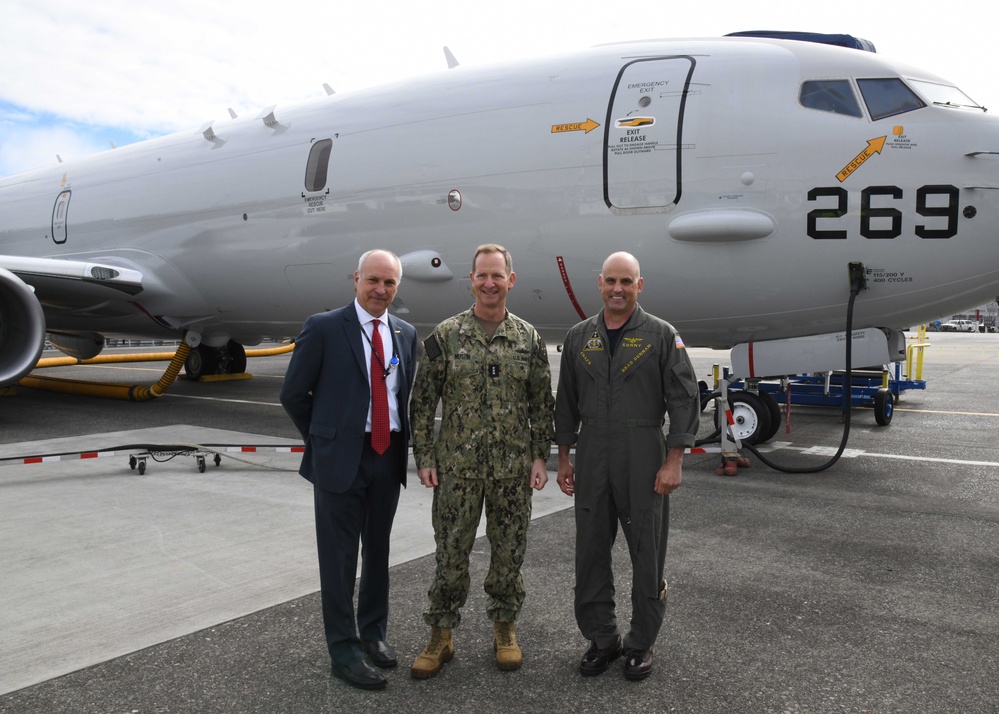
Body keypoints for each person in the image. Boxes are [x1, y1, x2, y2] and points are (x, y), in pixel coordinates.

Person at [409, 243, 555, 678]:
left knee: (509, 554)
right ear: (470, 281)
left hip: (512, 471)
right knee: (451, 554)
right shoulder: (446, 335)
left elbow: (541, 403)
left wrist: (539, 457)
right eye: (482, 276)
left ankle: (504, 628)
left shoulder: (528, 338)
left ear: (511, 280)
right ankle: (441, 635)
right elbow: (422, 401)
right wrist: (425, 456)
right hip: (458, 470)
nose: (489, 283)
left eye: (498, 275)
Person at [554, 251, 699, 681]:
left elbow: (683, 398)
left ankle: (640, 643)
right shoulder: (580, 337)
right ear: (600, 282)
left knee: (647, 553)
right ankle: (602, 639)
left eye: (627, 281)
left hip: (643, 451)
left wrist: (674, 460)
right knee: (591, 550)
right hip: (593, 449)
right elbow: (566, 401)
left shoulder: (660, 335)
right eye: (611, 281)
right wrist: (564, 457)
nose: (618, 289)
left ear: (640, 285)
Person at [279, 249, 418, 691]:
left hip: (387, 454)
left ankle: (373, 634)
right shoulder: (323, 328)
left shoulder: (405, 333)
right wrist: (326, 439)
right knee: (338, 559)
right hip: (341, 457)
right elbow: (293, 394)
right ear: (356, 279)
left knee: (377, 551)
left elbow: (401, 395)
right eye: (374, 280)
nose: (381, 290)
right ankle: (343, 651)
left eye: (390, 283)